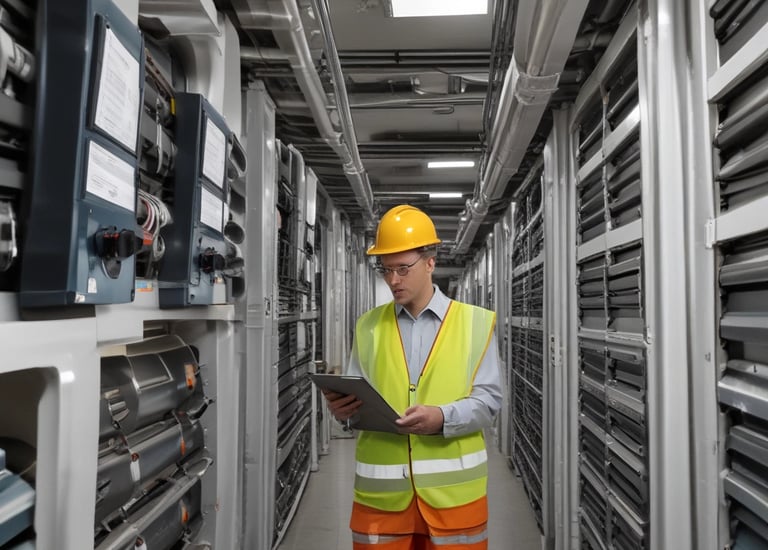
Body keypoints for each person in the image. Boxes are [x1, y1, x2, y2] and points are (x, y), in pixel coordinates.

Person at [322, 204, 503, 550]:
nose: (393, 280)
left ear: (430, 262)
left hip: (453, 503)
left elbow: (489, 401)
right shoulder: (368, 326)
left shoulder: (475, 324)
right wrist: (344, 413)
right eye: (386, 269)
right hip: (383, 503)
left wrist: (442, 418)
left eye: (403, 269)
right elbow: (358, 399)